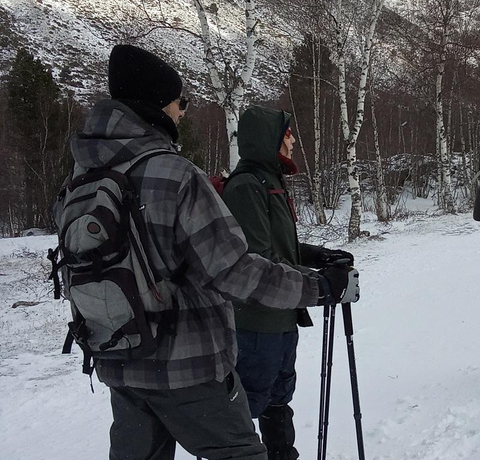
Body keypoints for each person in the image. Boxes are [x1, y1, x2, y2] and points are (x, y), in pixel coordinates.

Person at [61, 44, 359, 460]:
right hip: (187, 367)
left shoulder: (82, 175)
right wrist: (320, 288)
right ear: (159, 105)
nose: (182, 112)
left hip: (119, 360)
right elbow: (236, 270)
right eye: (180, 102)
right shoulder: (175, 174)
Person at [222, 106, 354, 460]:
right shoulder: (247, 186)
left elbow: (283, 247)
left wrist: (318, 256)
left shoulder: (270, 181)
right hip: (254, 323)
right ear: (269, 139)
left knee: (279, 398)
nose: (293, 140)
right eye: (287, 134)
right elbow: (257, 262)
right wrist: (320, 282)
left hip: (281, 317)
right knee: (247, 406)